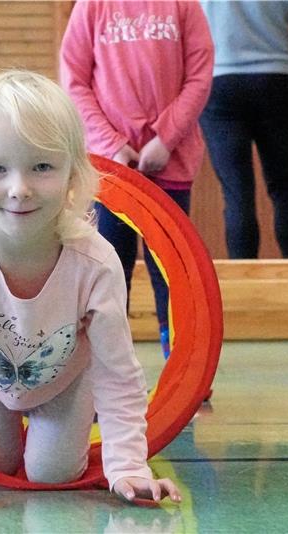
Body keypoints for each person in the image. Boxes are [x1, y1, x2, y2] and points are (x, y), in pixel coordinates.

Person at [0, 70, 180, 514]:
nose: (20, 189)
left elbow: (118, 371)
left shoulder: (94, 262)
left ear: (73, 172)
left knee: (49, 474)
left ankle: (53, 432)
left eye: (42, 167)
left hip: (66, 383)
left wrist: (128, 466)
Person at [60, 0, 214, 358]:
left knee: (172, 272)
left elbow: (199, 76)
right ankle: (105, 369)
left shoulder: (183, 6)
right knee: (109, 270)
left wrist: (166, 138)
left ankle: (183, 362)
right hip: (112, 170)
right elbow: (74, 81)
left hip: (169, 164)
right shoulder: (93, 6)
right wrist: (113, 145)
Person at [198, 1, 288, 259]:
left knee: (236, 194)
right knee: (286, 188)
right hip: (277, 79)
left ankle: (244, 287)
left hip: (219, 80)